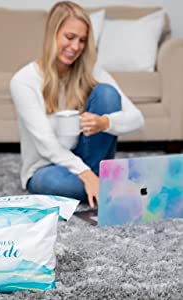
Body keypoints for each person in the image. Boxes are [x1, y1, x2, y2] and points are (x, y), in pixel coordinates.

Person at [10, 1, 144, 208]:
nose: (76, 47)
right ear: (52, 35)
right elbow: (47, 145)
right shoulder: (24, 81)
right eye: (69, 37)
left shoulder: (91, 71)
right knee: (54, 183)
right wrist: (86, 174)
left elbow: (137, 118)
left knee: (106, 94)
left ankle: (100, 183)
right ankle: (113, 183)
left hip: (89, 159)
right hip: (47, 168)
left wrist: (105, 122)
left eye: (82, 40)